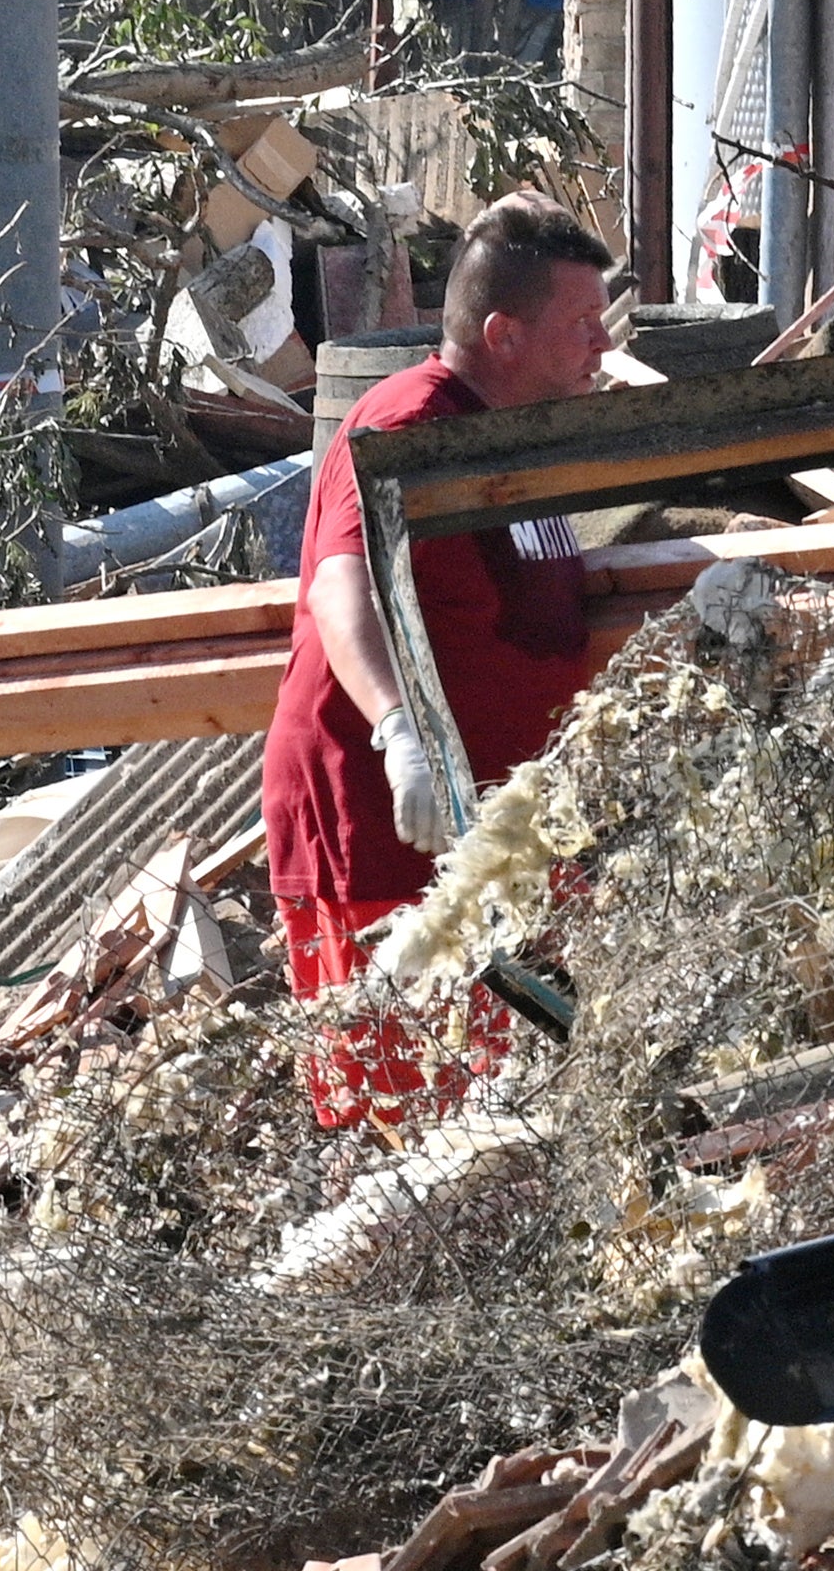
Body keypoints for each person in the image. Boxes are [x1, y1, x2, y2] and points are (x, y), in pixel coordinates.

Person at [261, 190, 620, 1124]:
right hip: (389, 829)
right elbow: (341, 589)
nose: (605, 344)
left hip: (495, 838)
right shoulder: (414, 427)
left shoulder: (509, 441)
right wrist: (400, 733)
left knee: (509, 1115)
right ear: (503, 334)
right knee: (404, 1123)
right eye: (582, 323)